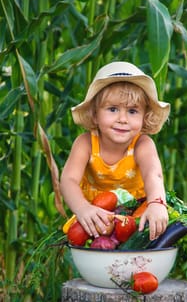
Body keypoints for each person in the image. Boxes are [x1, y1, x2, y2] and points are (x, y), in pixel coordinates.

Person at [60, 61, 170, 241]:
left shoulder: (143, 144)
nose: (122, 119)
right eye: (112, 109)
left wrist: (157, 203)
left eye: (133, 111)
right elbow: (68, 180)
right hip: (94, 217)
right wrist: (82, 208)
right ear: (95, 114)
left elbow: (153, 175)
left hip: (134, 216)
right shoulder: (86, 143)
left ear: (145, 116)